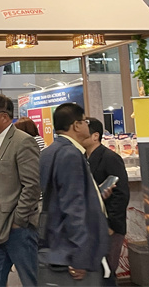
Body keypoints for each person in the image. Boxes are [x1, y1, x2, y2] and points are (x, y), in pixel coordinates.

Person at [39, 103, 110, 285]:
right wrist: (80, 256)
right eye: (85, 121)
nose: (87, 125)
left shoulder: (49, 151)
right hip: (69, 252)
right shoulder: (70, 154)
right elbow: (73, 207)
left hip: (54, 244)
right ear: (76, 125)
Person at [0, 94, 41, 287]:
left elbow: (32, 185)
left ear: (4, 116)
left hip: (17, 228)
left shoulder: (23, 142)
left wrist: (19, 220)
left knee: (31, 280)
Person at [83, 117, 129, 275]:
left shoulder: (110, 158)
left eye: (83, 133)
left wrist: (111, 226)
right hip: (90, 226)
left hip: (109, 227)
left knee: (107, 272)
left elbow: (121, 195)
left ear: (95, 136)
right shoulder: (82, 158)